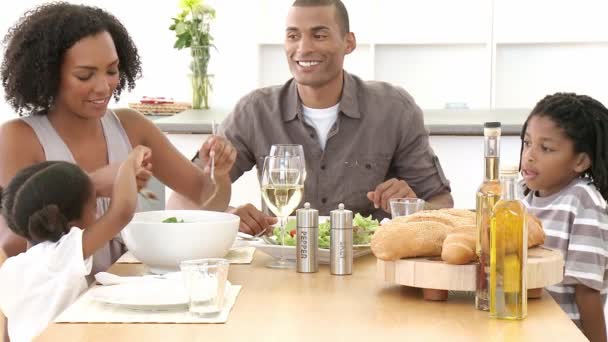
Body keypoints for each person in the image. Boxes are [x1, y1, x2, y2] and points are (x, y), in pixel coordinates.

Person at [168, 0, 453, 235]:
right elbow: (177, 205)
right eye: (293, 36)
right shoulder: (255, 111)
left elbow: (444, 207)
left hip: (368, 273)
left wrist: (413, 207)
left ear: (348, 42)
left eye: (319, 35)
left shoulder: (394, 109)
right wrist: (230, 217)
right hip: (283, 272)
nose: (303, 48)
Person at [0, 3, 237, 267]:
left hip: (128, 293)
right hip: (64, 305)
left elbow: (208, 199)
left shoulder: (131, 126)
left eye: (111, 71)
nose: (104, 87)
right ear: (48, 74)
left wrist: (218, 170)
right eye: (84, 75)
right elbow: (12, 246)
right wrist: (90, 186)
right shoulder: (18, 138)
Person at [0, 146, 150, 341]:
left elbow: (9, 328)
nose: (97, 216)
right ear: (71, 222)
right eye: (94, 207)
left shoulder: (11, 267)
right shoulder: (62, 253)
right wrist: (129, 163)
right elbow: (122, 212)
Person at [519, 93, 608, 342]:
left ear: (580, 161)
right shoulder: (521, 196)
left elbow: (587, 293)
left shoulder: (584, 202)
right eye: (527, 143)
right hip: (524, 330)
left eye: (545, 148)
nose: (530, 155)